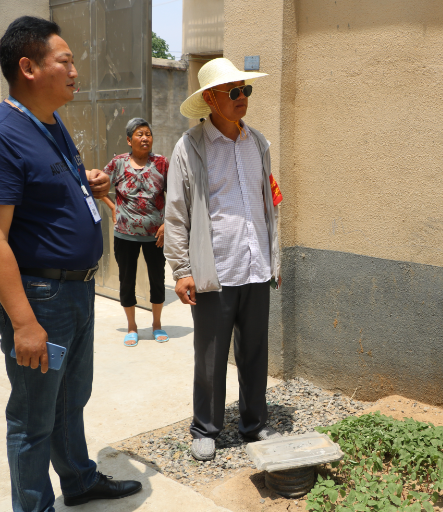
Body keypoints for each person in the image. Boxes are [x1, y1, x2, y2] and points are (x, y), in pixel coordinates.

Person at [0, 16, 142, 511]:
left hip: (76, 291)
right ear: (28, 67)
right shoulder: (4, 133)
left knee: (69, 400)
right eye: (66, 61)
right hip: (42, 299)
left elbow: (42, 185)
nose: (76, 71)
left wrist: (87, 181)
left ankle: (78, 481)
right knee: (33, 416)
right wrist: (23, 321)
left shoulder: (50, 121)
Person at [164, 58, 283, 461]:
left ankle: (254, 424)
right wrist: (181, 270)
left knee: (254, 352)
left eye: (245, 90)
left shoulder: (259, 144)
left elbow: (270, 203)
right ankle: (206, 428)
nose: (242, 99)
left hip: (254, 266)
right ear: (210, 99)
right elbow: (176, 213)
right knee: (211, 355)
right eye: (233, 92)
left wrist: (274, 258)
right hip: (214, 269)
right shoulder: (190, 147)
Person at [102, 118, 169, 347]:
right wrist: (113, 208)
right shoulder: (118, 163)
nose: (145, 138)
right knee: (126, 280)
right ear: (129, 140)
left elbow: (177, 196)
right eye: (140, 134)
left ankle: (157, 324)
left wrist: (167, 222)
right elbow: (98, 186)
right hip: (125, 233)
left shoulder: (162, 164)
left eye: (148, 134)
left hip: (156, 236)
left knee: (157, 279)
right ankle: (132, 327)